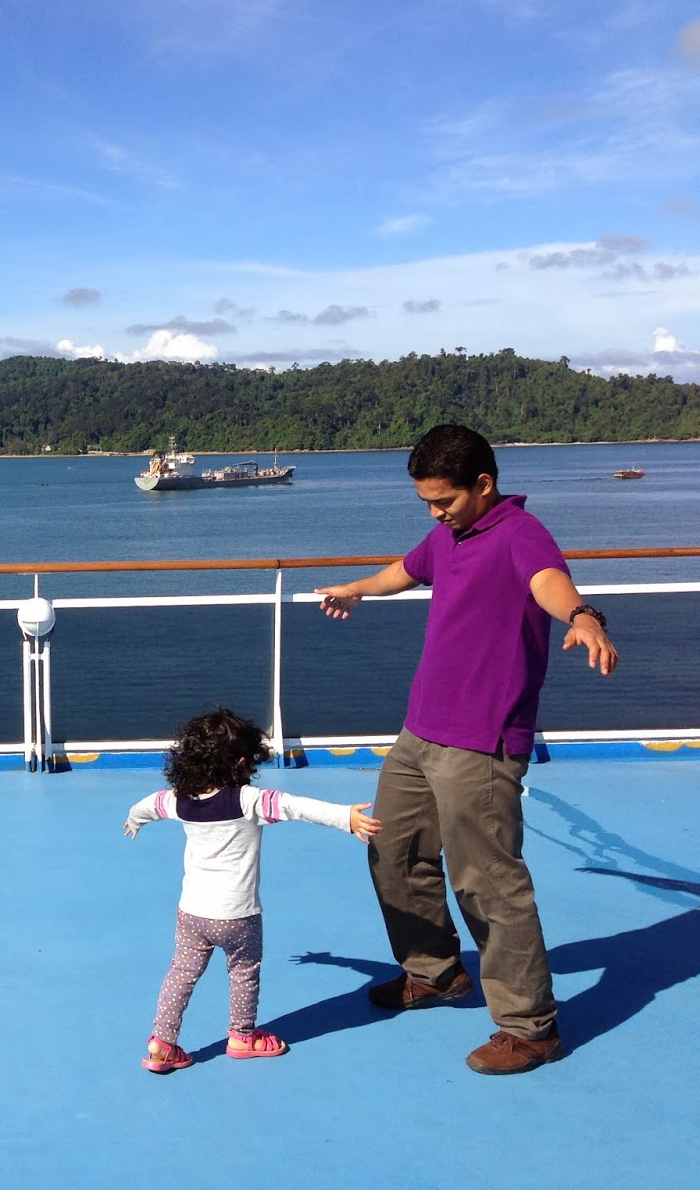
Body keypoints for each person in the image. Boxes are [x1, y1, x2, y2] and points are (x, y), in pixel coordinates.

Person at [314, 424, 617, 1076]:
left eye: (443, 500)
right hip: (420, 731)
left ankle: (531, 1027)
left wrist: (584, 617)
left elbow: (550, 582)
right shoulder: (447, 534)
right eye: (426, 502)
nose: (435, 513)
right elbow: (405, 570)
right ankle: (435, 973)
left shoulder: (519, 533)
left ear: (483, 484)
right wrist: (356, 589)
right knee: (393, 851)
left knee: (487, 881)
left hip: (482, 740)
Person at [123, 707, 379, 1074]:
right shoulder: (248, 800)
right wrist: (345, 818)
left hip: (192, 912)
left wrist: (134, 821)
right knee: (243, 971)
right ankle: (242, 1037)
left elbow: (146, 806)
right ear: (242, 762)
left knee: (180, 975)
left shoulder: (178, 800)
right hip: (238, 915)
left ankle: (161, 1043)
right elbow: (297, 807)